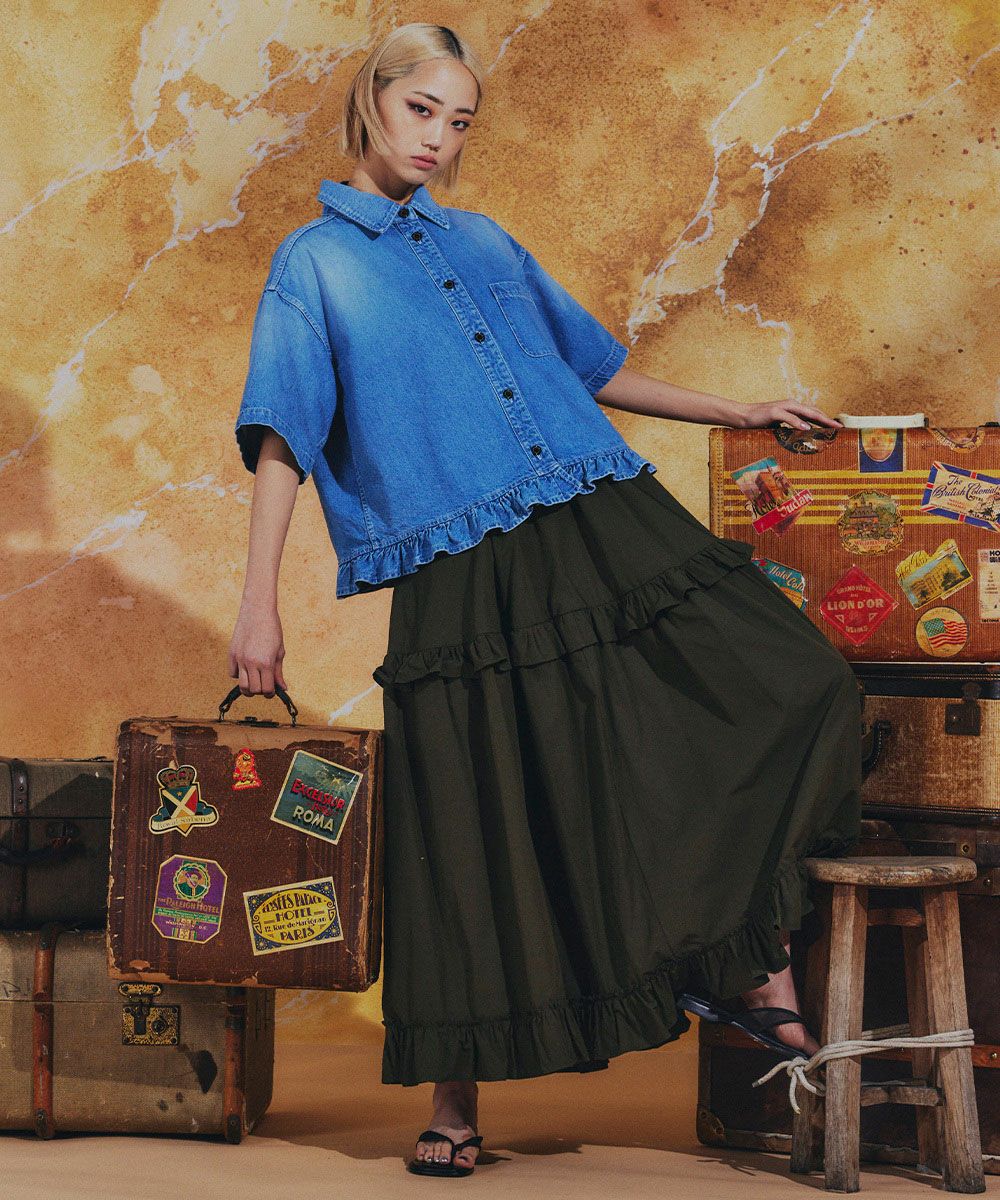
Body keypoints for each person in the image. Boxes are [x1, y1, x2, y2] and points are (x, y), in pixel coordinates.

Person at [229, 22, 863, 1180]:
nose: (439, 137)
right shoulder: (313, 264)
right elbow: (284, 435)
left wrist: (741, 411)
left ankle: (750, 961)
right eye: (421, 110)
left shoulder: (485, 241)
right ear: (371, 102)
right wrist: (256, 603)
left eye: (459, 120)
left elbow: (592, 366)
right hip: (458, 556)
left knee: (787, 682)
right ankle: (454, 1101)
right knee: (474, 815)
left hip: (595, 514)